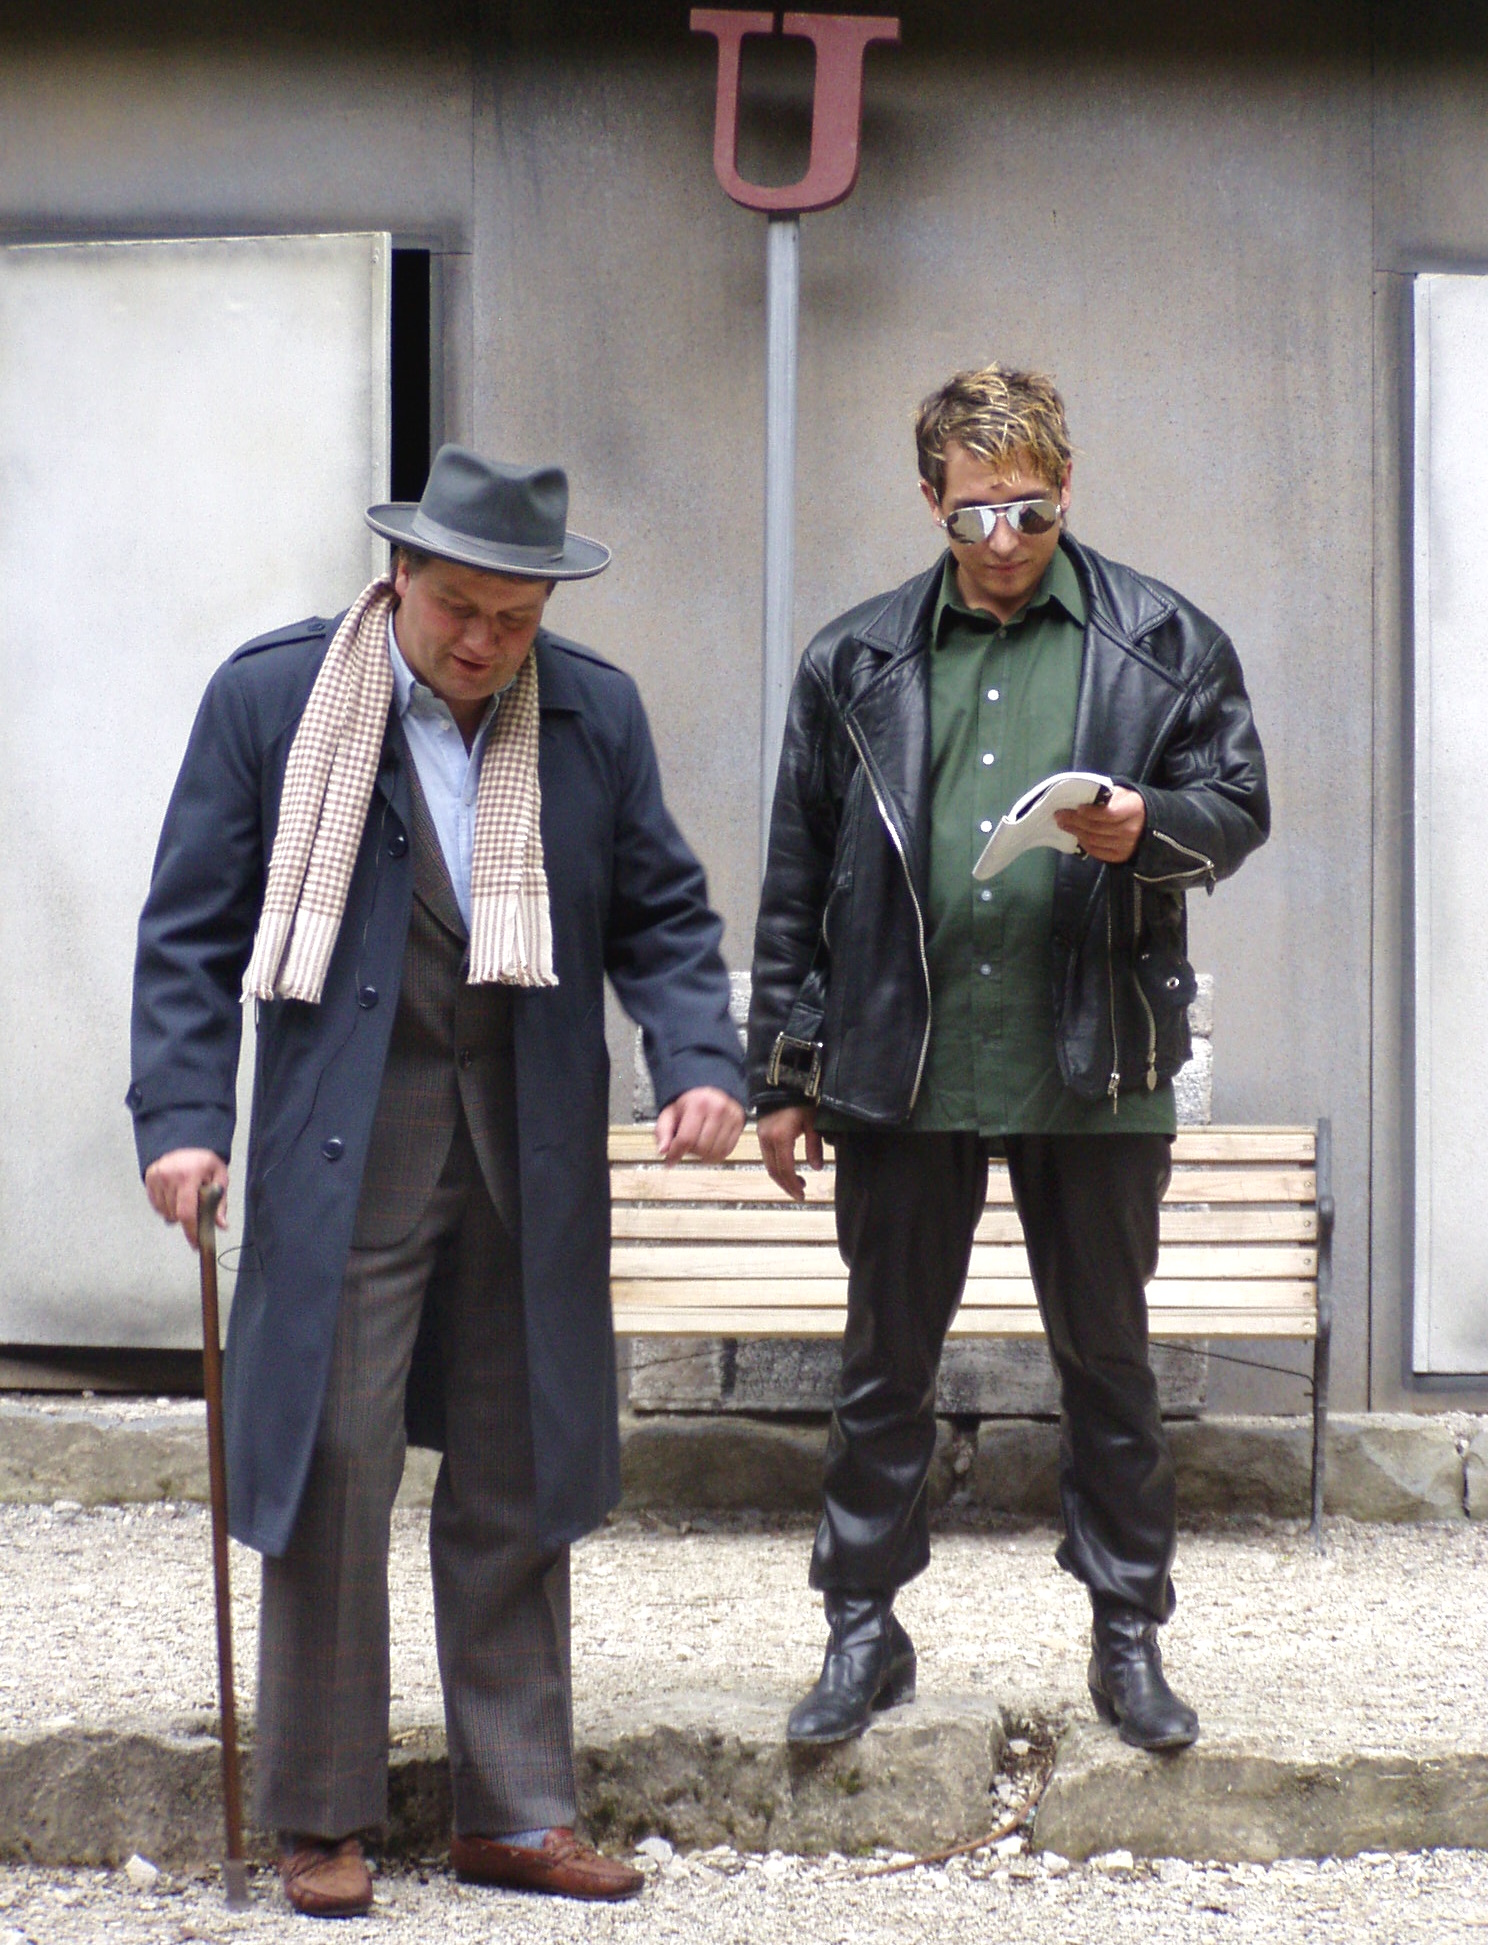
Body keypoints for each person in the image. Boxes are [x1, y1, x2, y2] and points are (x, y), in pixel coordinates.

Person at [130, 445, 746, 1916]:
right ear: (400, 573)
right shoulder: (273, 698)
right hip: (347, 1147)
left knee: (519, 1472)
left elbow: (663, 916)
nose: (482, 643)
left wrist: (699, 1059)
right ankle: (320, 1814)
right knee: (333, 1468)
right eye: (458, 607)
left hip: (528, 1146)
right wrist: (184, 1118)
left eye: (514, 619)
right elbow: (190, 931)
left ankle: (518, 1811)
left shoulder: (592, 712)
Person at [748, 364, 1268, 1754]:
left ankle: (1129, 1635)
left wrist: (1149, 826)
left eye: (1030, 510)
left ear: (1068, 487)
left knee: (1110, 1366)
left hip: (1092, 1061)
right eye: (975, 513)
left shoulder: (1163, 640)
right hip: (903, 1061)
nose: (1004, 539)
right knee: (882, 1368)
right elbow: (799, 874)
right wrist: (783, 1074)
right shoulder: (854, 659)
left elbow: (1239, 809)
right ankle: (862, 1628)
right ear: (931, 499)